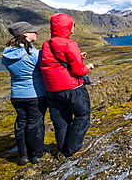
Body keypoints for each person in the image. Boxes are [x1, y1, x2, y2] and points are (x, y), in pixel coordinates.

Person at [40, 13, 94, 157]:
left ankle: (63, 147)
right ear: (68, 26)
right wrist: (88, 67)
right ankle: (73, 148)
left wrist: (77, 57)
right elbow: (78, 70)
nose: (74, 28)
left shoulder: (47, 44)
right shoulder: (69, 43)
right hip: (72, 88)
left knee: (61, 120)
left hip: (52, 90)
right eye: (73, 25)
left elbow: (55, 62)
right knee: (82, 115)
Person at [2, 21, 49, 165]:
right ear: (24, 34)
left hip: (17, 95)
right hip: (35, 93)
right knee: (34, 123)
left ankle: (23, 156)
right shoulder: (34, 54)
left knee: (21, 123)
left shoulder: (7, 54)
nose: (35, 33)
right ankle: (36, 154)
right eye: (32, 31)